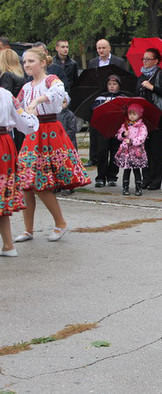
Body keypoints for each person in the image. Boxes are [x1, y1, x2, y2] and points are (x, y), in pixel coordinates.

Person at [13, 47, 90, 244]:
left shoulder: (51, 80)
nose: (27, 65)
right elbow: (17, 108)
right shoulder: (25, 87)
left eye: (31, 61)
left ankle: (61, 223)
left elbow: (59, 92)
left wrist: (38, 100)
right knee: (26, 182)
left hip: (50, 132)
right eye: (24, 62)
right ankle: (28, 229)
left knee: (41, 184)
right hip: (33, 134)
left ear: (42, 63)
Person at [0, 85, 39, 257]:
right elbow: (27, 124)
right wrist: (32, 116)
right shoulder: (6, 95)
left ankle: (9, 245)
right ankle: (8, 245)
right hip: (4, 145)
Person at [137, 48, 162, 190]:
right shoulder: (141, 76)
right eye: (143, 59)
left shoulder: (161, 75)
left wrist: (152, 87)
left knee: (156, 150)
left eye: (147, 59)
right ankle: (146, 179)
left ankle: (156, 180)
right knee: (144, 150)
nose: (144, 61)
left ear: (155, 61)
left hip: (158, 118)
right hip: (143, 119)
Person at [91, 74, 125, 188]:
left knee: (116, 153)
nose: (112, 86)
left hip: (117, 128)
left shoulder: (123, 97)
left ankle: (112, 176)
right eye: (109, 84)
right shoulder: (100, 97)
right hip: (103, 128)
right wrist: (103, 106)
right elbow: (94, 110)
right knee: (102, 152)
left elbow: (127, 112)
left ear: (119, 86)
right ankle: (100, 177)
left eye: (114, 84)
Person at [115, 103, 149, 196]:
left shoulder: (141, 126)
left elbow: (142, 138)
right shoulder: (125, 125)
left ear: (139, 115)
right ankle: (125, 187)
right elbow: (118, 136)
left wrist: (132, 141)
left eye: (134, 114)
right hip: (126, 152)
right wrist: (123, 134)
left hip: (136, 152)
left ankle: (138, 187)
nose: (132, 116)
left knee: (136, 170)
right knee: (126, 170)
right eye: (130, 114)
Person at [57, 96, 78, 196]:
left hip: (68, 144)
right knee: (58, 165)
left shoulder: (70, 115)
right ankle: (59, 184)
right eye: (60, 102)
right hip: (57, 144)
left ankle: (70, 185)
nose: (62, 104)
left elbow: (72, 130)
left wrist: (61, 135)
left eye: (64, 102)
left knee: (68, 165)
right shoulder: (55, 115)